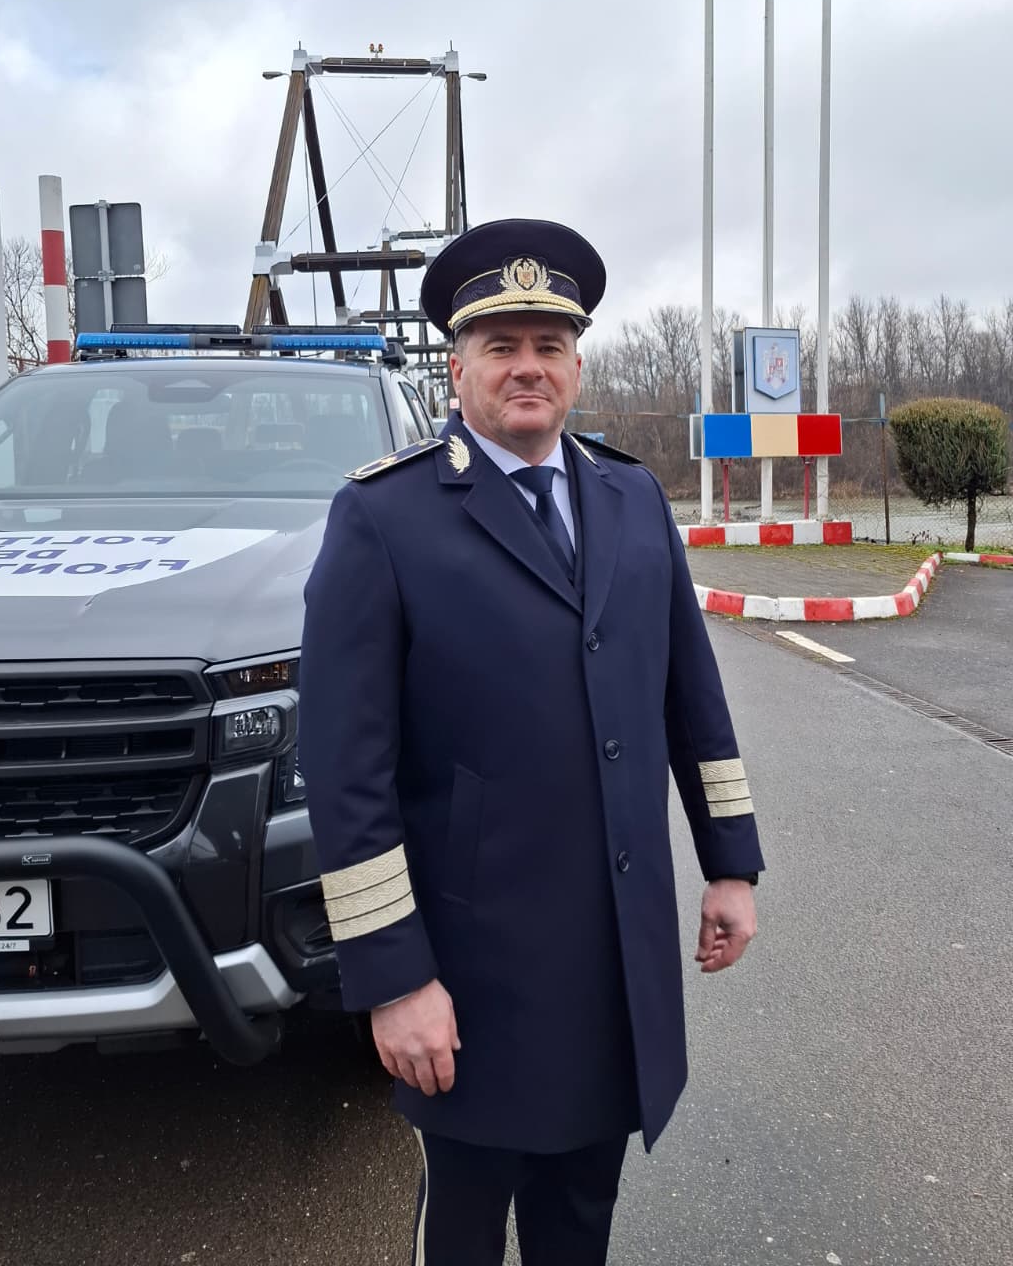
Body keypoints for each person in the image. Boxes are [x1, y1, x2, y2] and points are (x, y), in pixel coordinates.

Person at [298, 218, 764, 1266]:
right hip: (471, 973)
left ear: (577, 367)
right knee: (465, 1226)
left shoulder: (632, 498)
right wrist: (394, 979)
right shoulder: (385, 517)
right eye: (500, 346)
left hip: (612, 956)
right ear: (456, 367)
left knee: (581, 1217)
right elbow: (346, 773)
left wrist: (731, 864)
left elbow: (693, 698)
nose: (527, 367)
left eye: (549, 346)